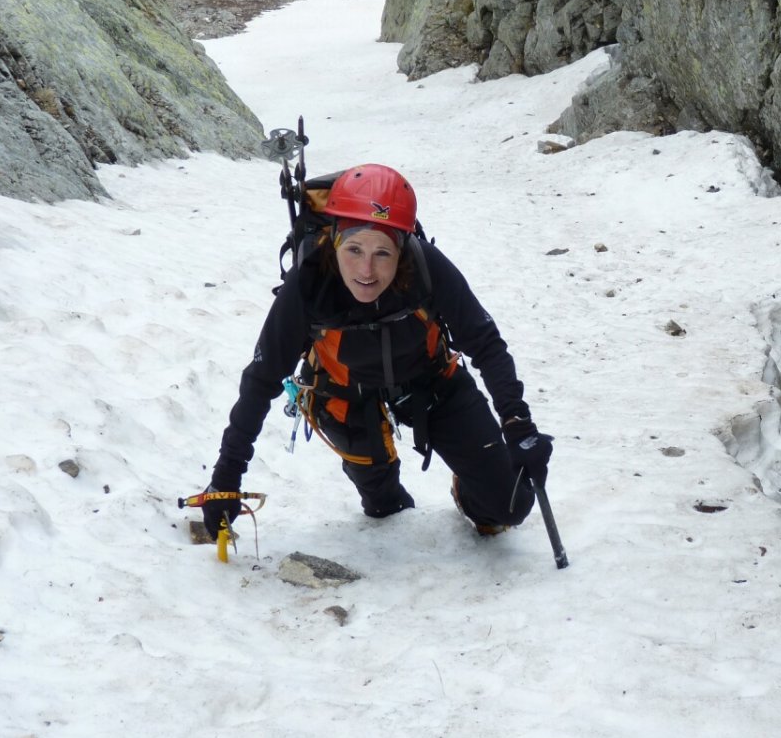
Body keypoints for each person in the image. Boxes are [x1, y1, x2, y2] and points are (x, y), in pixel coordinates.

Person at [199, 163, 551, 542]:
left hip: (432, 383)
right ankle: (383, 485)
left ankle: (469, 488)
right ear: (334, 242)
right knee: (385, 510)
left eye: (382, 253)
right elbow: (260, 381)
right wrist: (226, 478)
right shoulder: (309, 283)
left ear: (402, 248)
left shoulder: (425, 267)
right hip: (345, 399)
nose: (366, 270)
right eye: (354, 249)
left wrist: (518, 424)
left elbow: (485, 344)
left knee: (508, 507)